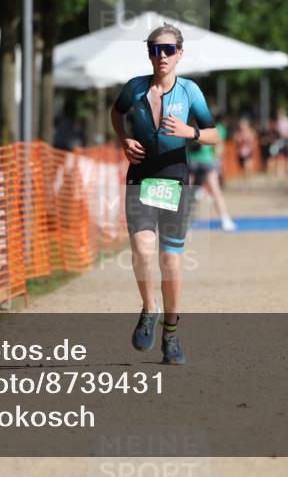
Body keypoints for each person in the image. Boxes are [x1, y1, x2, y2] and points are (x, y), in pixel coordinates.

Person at [110, 23, 219, 366]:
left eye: (168, 50)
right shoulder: (135, 88)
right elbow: (116, 113)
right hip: (140, 177)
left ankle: (171, 334)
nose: (162, 56)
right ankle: (149, 308)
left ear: (180, 54)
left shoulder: (190, 92)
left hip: (173, 179)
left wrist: (192, 132)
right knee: (141, 250)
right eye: (156, 50)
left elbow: (215, 134)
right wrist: (122, 139)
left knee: (170, 261)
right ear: (149, 54)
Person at [187, 112, 236, 232]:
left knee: (213, 189)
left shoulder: (214, 128)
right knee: (188, 192)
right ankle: (187, 220)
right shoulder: (191, 127)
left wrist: (216, 160)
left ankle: (225, 218)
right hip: (194, 162)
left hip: (205, 162)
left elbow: (219, 146)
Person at [233, 117, 257, 190]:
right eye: (241, 125)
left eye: (244, 125)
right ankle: (241, 184)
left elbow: (253, 142)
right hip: (240, 153)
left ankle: (248, 182)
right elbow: (236, 142)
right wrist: (240, 140)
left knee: (248, 168)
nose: (242, 126)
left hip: (248, 153)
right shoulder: (238, 133)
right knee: (241, 169)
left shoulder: (251, 132)